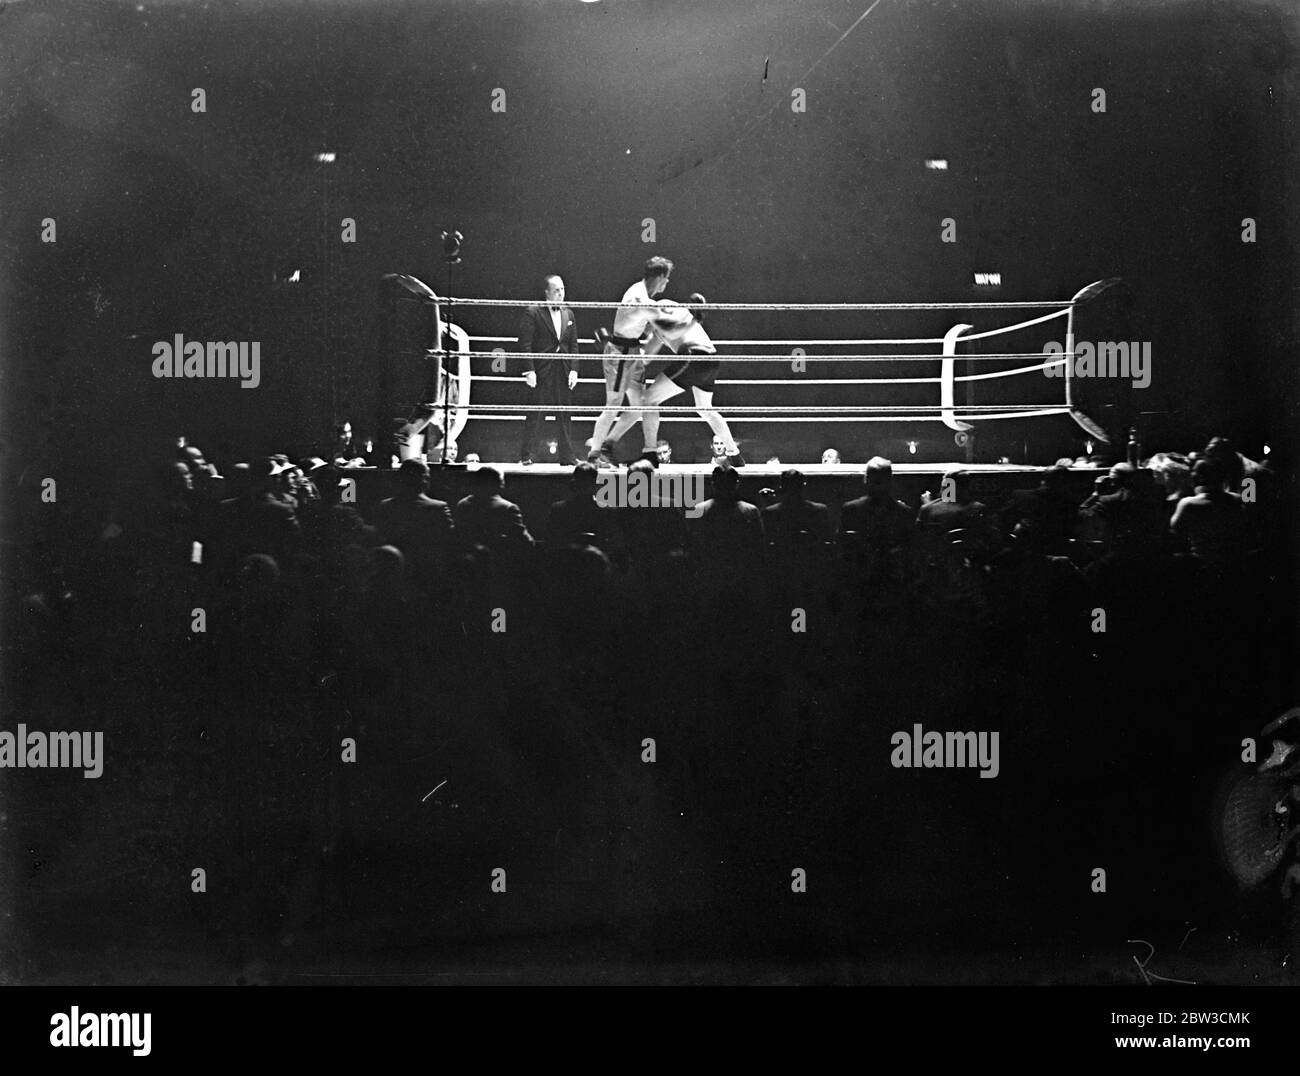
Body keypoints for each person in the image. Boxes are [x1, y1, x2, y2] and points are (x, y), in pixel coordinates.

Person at [599, 292, 745, 466]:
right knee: (705, 409)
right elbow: (646, 357)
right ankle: (735, 455)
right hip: (710, 360)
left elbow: (650, 350)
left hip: (694, 356)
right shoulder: (660, 326)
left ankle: (641, 452)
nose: (640, 330)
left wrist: (614, 346)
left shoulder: (661, 308)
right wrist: (614, 345)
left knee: (647, 399)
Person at [588, 256, 674, 467]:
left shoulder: (644, 296)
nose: (668, 283)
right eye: (667, 278)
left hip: (633, 351)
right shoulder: (639, 298)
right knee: (613, 404)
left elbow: (646, 327)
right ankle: (594, 455)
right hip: (620, 353)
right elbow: (666, 326)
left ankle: (607, 445)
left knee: (640, 405)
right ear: (660, 276)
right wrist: (693, 318)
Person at [517, 274, 579, 465]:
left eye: (562, 289)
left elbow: (573, 345)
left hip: (563, 369)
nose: (561, 294)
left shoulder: (569, 313)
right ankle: (527, 456)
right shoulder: (533, 312)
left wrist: (574, 370)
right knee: (536, 413)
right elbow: (525, 344)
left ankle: (567, 457)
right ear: (547, 293)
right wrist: (529, 370)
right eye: (556, 290)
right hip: (541, 369)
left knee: (564, 414)